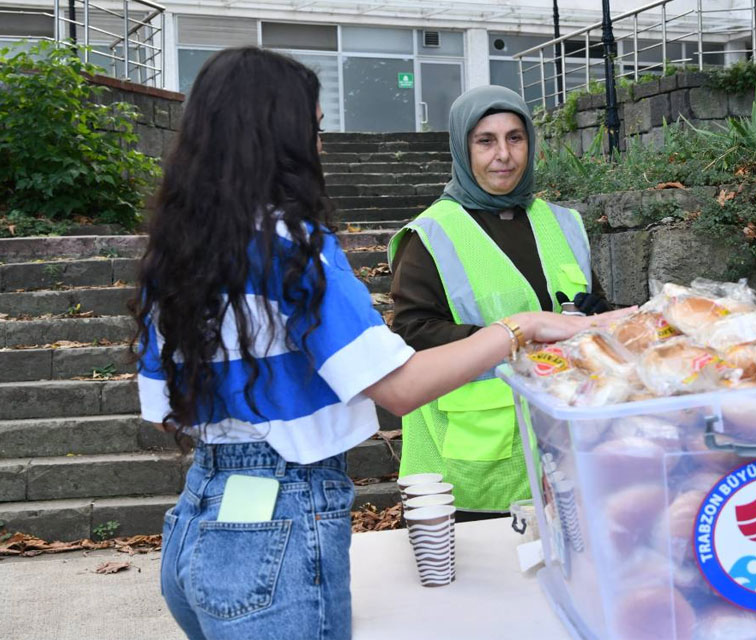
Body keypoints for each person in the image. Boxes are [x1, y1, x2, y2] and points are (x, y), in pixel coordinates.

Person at [132, 48, 625, 639]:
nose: (319, 146)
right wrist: (521, 326)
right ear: (275, 136)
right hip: (283, 518)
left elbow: (165, 414)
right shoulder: (294, 245)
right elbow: (399, 387)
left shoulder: (179, 249)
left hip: (199, 513)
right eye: (312, 129)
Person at [388, 86, 608, 518]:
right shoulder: (432, 233)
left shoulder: (562, 223)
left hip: (565, 448)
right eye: (485, 141)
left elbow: (592, 309)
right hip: (472, 463)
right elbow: (413, 332)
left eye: (515, 138)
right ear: (462, 147)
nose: (503, 154)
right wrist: (516, 340)